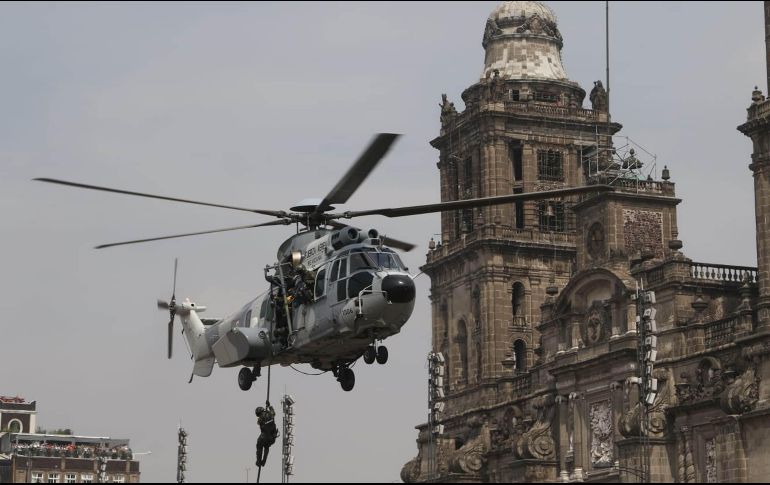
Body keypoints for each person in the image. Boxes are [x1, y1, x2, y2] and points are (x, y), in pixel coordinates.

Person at [255, 402, 279, 467]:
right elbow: (273, 413)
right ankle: (264, 461)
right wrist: (269, 406)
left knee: (259, 446)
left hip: (264, 437)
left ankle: (259, 461)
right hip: (272, 438)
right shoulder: (270, 414)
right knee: (266, 447)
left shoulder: (260, 419)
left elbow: (259, 422)